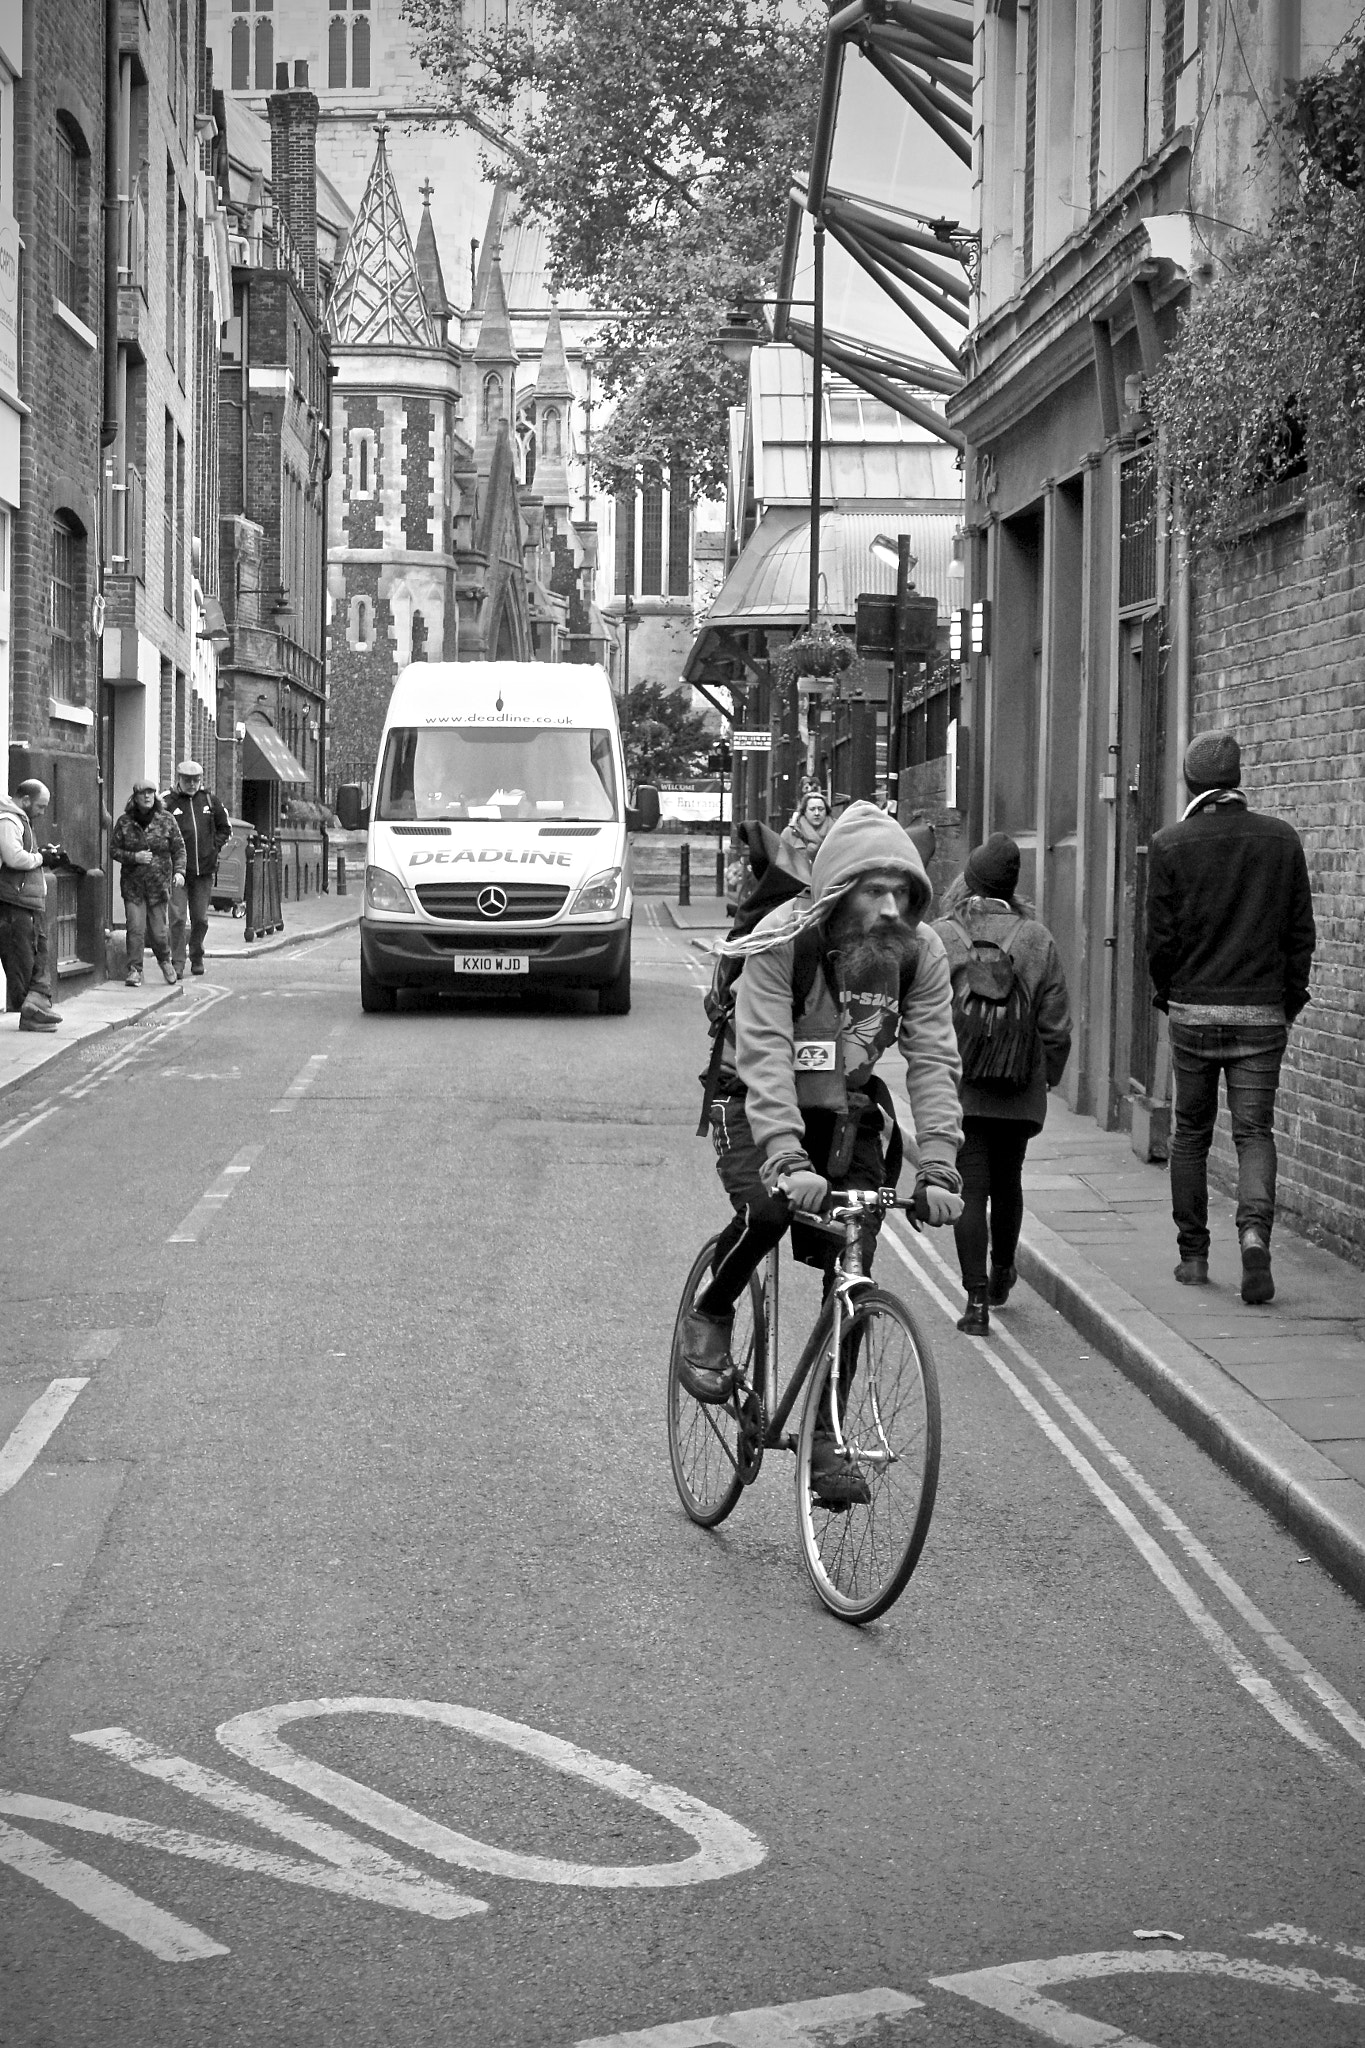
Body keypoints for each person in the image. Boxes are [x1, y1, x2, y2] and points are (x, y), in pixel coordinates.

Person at [681, 800, 965, 1507]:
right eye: (875, 891)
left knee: (854, 1258)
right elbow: (766, 1056)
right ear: (839, 890)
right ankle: (711, 1312)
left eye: (904, 893)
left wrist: (937, 1163)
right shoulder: (783, 938)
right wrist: (783, 1156)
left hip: (843, 1108)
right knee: (767, 1211)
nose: (892, 908)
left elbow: (932, 1058)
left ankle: (825, 1439)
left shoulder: (918, 951)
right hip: (752, 1098)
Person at [1146, 730, 1315, 1305]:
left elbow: (1159, 944)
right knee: (1253, 1133)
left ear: (1190, 783)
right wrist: (1287, 1002)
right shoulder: (1281, 841)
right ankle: (1252, 1237)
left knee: (1190, 1134)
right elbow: (1299, 936)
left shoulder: (1170, 846)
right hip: (1262, 1014)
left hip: (1193, 1014)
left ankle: (1193, 1258)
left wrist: (1169, 995)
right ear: (1235, 780)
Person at [933, 834, 1072, 1336]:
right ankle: (1001, 1274)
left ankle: (974, 1305)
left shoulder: (943, 935)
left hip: (962, 1083)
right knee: (1008, 1180)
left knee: (971, 1187)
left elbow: (923, 1012)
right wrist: (1044, 1077)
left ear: (967, 883)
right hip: (1018, 1085)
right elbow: (1055, 1024)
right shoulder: (1037, 938)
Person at [0, 779, 63, 1033]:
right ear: (25, 800)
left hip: (27, 901)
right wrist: (41, 858)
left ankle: (38, 1008)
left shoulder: (21, 821)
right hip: (15, 901)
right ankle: (30, 1014)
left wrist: (43, 854)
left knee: (38, 954)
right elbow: (13, 857)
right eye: (40, 806)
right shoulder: (9, 821)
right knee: (22, 958)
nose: (42, 812)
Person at [111, 780, 186, 988]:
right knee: (135, 929)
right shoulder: (125, 822)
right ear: (135, 797)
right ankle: (135, 970)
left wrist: (180, 872)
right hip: (133, 886)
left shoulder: (166, 819)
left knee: (159, 932)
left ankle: (165, 961)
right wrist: (134, 857)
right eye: (143, 794)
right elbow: (113, 850)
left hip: (159, 886)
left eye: (151, 793)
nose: (147, 797)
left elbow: (179, 848)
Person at [163, 759, 231, 979]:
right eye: (187, 780)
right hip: (178, 873)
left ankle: (197, 954)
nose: (191, 784)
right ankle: (178, 962)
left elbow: (225, 828)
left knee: (201, 918)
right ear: (179, 779)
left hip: (204, 871)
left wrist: (214, 847)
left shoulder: (210, 801)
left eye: (195, 780)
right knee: (178, 919)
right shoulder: (168, 802)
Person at [778, 789, 832, 880]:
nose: (817, 813)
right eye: (812, 809)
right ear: (804, 812)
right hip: (798, 888)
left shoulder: (837, 831)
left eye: (821, 809)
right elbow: (781, 865)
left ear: (826, 811)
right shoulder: (790, 833)